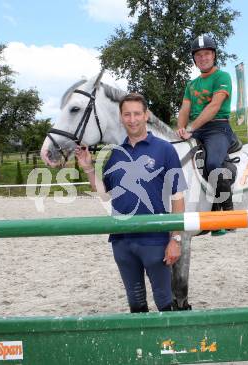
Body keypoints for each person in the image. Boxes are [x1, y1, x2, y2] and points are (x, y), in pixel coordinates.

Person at [76, 93, 187, 313]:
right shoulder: (116, 153)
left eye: (137, 114)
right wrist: (88, 168)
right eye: (127, 114)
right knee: (135, 304)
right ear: (121, 118)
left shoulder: (165, 150)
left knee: (164, 302)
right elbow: (106, 195)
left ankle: (167, 346)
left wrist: (175, 239)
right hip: (122, 241)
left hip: (155, 239)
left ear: (146, 116)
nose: (132, 119)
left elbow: (178, 198)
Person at [176, 34, 236, 216]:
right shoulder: (191, 84)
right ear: (194, 59)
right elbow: (185, 108)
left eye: (207, 54)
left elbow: (214, 106)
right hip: (196, 131)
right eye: (198, 55)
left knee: (212, 163)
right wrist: (180, 128)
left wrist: (190, 128)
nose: (203, 58)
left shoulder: (222, 77)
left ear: (214, 55)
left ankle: (227, 211)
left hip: (218, 129)